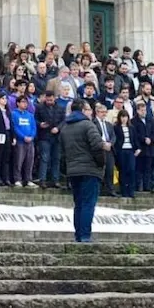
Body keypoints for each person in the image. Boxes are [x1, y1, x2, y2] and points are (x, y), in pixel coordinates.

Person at [60, 100, 108, 243]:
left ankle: (78, 235)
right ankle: (85, 236)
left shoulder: (64, 127)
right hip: (90, 170)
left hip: (73, 170)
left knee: (79, 204)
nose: (91, 112)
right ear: (82, 110)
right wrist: (101, 164)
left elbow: (62, 152)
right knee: (88, 203)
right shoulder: (88, 125)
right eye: (88, 109)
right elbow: (98, 146)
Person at [10, 93, 37, 188]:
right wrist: (23, 137)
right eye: (23, 102)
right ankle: (17, 179)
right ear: (17, 103)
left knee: (30, 161)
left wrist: (32, 136)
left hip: (30, 141)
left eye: (26, 102)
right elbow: (15, 127)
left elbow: (33, 127)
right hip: (20, 141)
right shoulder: (14, 114)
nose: (25, 104)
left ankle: (28, 179)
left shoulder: (30, 115)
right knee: (18, 161)